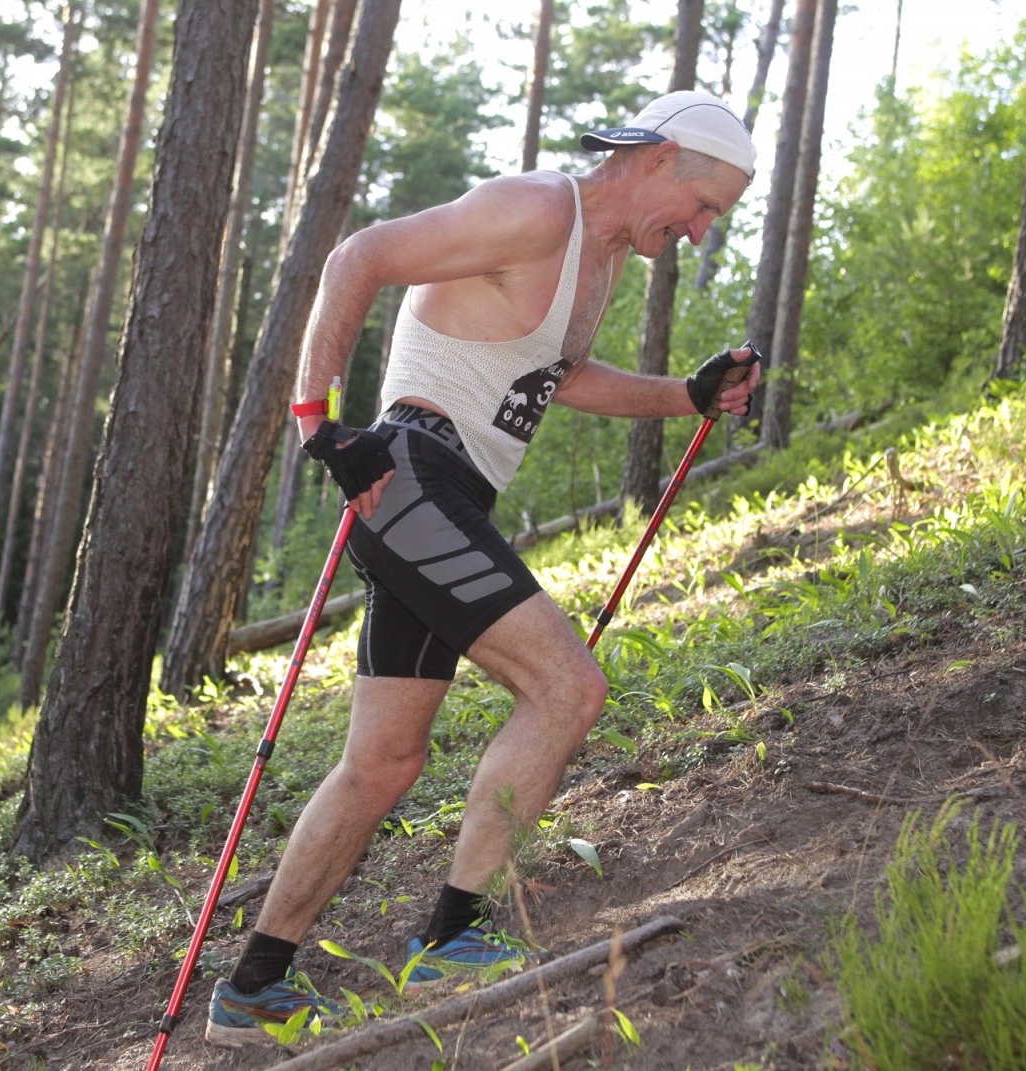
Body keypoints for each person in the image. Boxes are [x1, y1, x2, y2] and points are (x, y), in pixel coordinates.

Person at [207, 90, 763, 1045]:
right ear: (661, 158)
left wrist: (687, 394)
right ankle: (454, 933)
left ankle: (253, 988)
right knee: (568, 687)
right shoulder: (544, 208)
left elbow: (560, 378)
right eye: (705, 205)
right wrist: (322, 427)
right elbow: (361, 256)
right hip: (410, 475)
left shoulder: (597, 261)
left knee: (380, 763)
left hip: (442, 498)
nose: (701, 232)